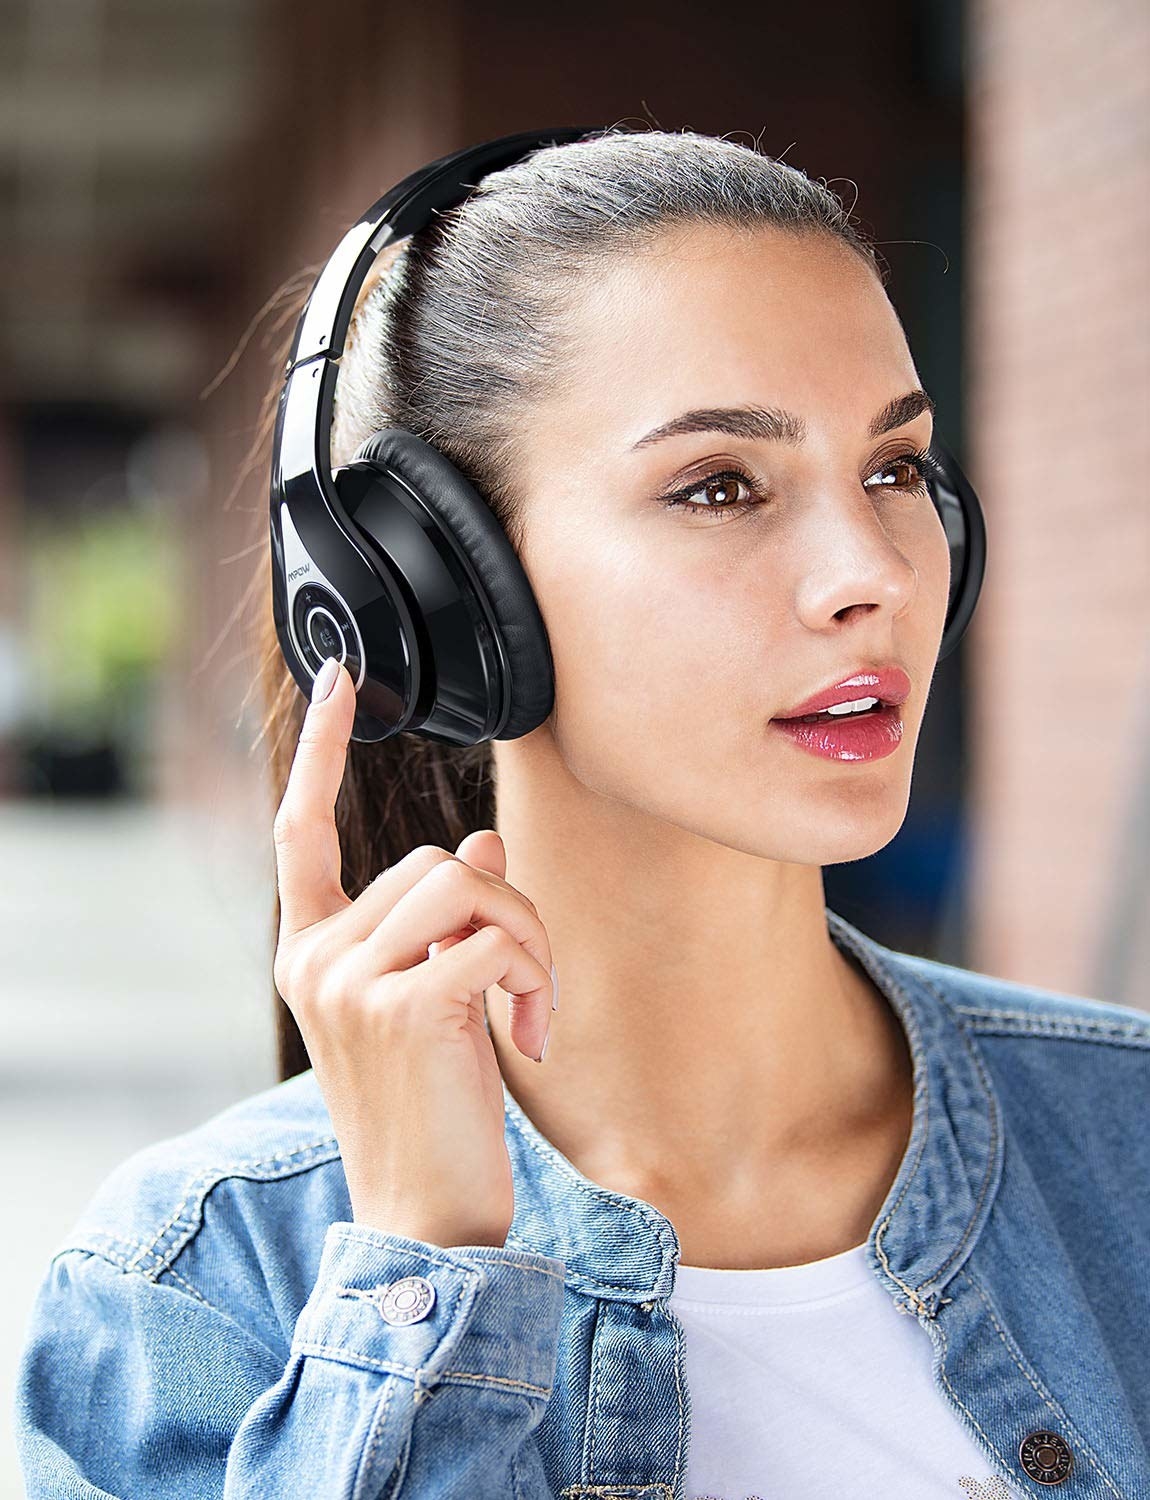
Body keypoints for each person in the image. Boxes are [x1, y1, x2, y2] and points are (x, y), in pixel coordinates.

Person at [15, 126, 1150, 1500]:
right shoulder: (192, 1287)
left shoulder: (1125, 1137)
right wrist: (426, 1272)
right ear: (437, 590)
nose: (871, 576)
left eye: (894, 470)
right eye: (719, 484)